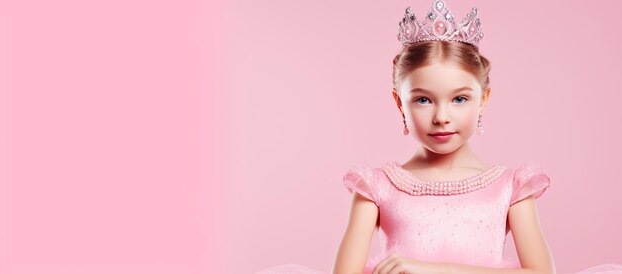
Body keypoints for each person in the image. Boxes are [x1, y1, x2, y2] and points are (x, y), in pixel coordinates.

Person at [256, 1, 622, 273]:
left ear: (484, 99)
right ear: (399, 102)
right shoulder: (376, 186)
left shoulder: (512, 187)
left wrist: (428, 269)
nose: (442, 116)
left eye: (460, 98)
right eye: (423, 100)